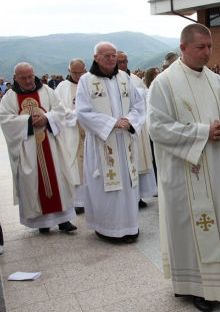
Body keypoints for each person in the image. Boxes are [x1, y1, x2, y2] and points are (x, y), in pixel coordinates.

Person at [148, 23, 220, 312]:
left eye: (210, 46)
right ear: (183, 48)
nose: (207, 52)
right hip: (183, 172)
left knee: (217, 223)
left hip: (214, 168)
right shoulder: (163, 83)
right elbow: (157, 128)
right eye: (201, 47)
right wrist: (203, 133)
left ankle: (218, 283)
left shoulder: (215, 81)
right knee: (188, 226)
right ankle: (193, 286)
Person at [76, 42, 144, 243]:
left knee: (127, 184)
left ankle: (130, 226)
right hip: (102, 142)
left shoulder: (125, 78)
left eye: (113, 55)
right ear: (96, 57)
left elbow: (138, 105)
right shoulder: (86, 81)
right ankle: (106, 228)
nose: (111, 59)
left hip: (124, 141)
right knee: (107, 185)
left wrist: (128, 121)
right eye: (106, 55)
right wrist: (112, 123)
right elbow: (83, 112)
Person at [0, 63, 77, 233]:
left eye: (30, 76)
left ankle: (64, 220)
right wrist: (27, 121)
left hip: (50, 143)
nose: (28, 81)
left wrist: (48, 118)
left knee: (58, 178)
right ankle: (43, 222)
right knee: (32, 181)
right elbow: (5, 120)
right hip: (27, 149)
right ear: (15, 78)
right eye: (23, 78)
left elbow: (59, 111)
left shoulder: (47, 91)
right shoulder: (9, 98)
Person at [116, 51, 156, 208]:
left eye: (125, 61)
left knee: (136, 162)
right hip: (117, 129)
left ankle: (137, 196)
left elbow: (145, 98)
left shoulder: (134, 79)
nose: (123, 65)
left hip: (134, 127)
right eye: (120, 62)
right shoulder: (108, 81)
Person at [54, 59, 87, 214]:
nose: (79, 76)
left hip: (89, 130)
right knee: (74, 164)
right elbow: (57, 107)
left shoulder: (89, 83)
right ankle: (78, 201)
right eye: (75, 73)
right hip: (72, 131)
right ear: (69, 71)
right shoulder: (62, 87)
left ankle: (92, 199)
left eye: (82, 72)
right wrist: (74, 114)